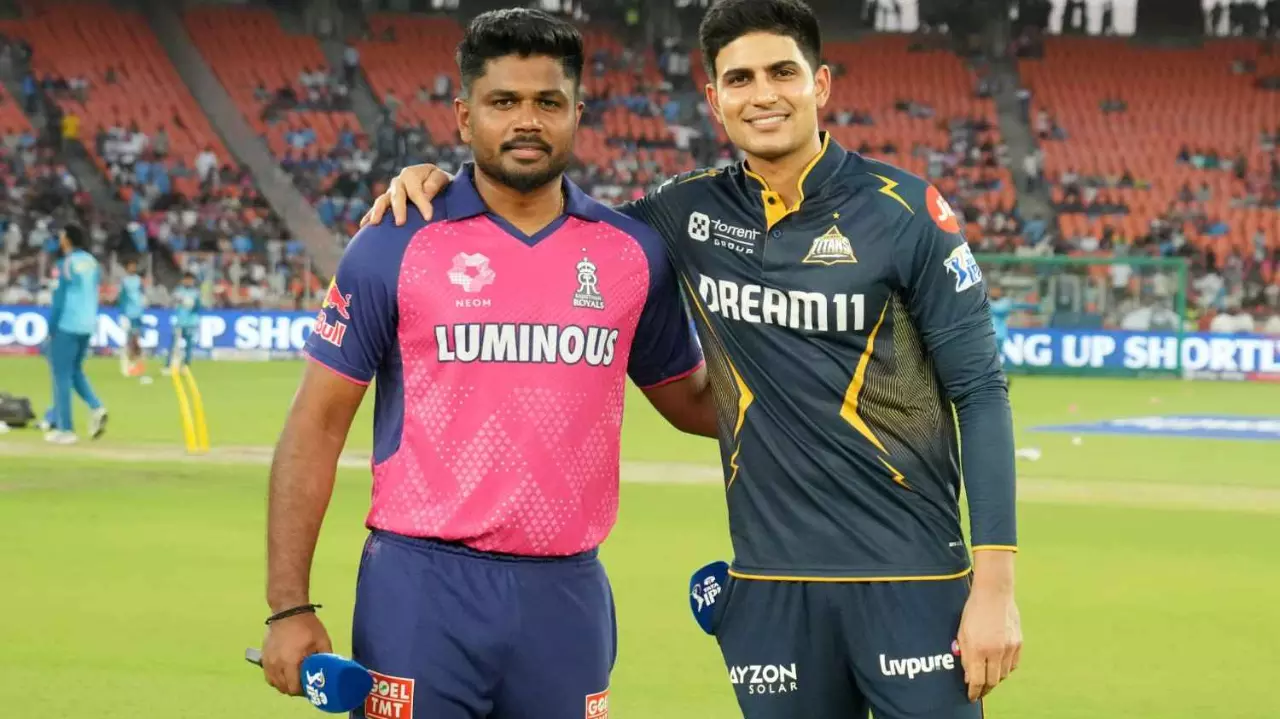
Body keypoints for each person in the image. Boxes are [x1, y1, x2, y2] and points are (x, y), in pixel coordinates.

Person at [361, 0, 1022, 716]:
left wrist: (994, 588)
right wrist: (436, 180)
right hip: (769, 581)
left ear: (821, 84)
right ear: (714, 98)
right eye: (739, 79)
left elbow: (981, 393)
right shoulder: (684, 214)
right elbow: (562, 220)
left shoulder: (904, 210)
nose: (762, 94)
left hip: (911, 574)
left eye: (782, 72)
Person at [260, 9, 716, 719]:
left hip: (567, 597)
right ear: (465, 116)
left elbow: (691, 401)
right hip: (420, 590)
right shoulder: (395, 241)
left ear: (577, 114)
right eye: (504, 101)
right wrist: (287, 603)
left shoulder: (630, 254)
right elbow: (315, 426)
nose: (527, 120)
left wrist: (816, 399)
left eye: (547, 102)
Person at [45, 224, 107, 444]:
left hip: (67, 324)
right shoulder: (92, 262)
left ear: (67, 239)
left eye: (62, 236)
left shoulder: (65, 264)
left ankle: (66, 429)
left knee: (61, 375)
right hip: (88, 324)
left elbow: (59, 299)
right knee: (75, 372)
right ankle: (96, 406)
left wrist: (51, 327)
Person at [117, 257, 146, 377]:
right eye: (130, 266)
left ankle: (136, 363)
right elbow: (122, 298)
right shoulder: (124, 281)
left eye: (134, 266)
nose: (132, 268)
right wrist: (122, 313)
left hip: (137, 313)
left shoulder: (139, 281)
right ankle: (128, 364)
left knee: (136, 339)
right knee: (128, 340)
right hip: (128, 314)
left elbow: (142, 295)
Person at [168, 272, 201, 370]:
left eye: (190, 280)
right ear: (183, 280)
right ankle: (169, 365)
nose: (188, 281)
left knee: (189, 346)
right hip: (180, 321)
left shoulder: (196, 292)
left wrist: (193, 304)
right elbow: (173, 301)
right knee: (174, 345)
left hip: (191, 322)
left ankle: (186, 365)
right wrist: (181, 301)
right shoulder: (178, 291)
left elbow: (198, 307)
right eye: (186, 279)